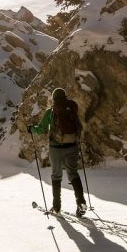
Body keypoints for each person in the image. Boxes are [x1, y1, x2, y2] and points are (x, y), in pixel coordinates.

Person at [27, 88, 87, 217]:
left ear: (53, 99)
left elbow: (42, 129)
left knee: (56, 175)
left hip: (56, 147)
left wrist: (32, 129)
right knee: (73, 173)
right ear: (65, 97)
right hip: (72, 146)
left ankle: (56, 207)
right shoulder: (72, 108)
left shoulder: (51, 112)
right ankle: (81, 202)